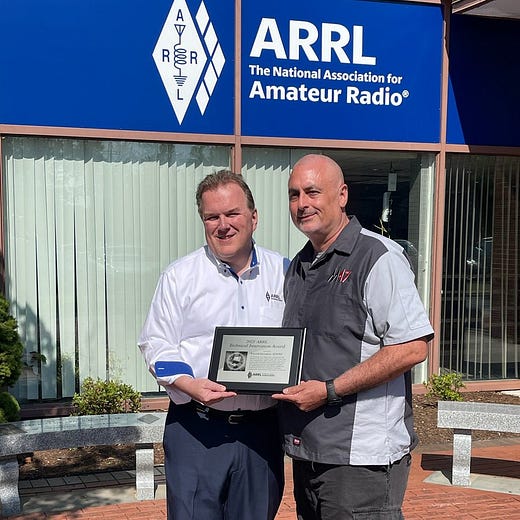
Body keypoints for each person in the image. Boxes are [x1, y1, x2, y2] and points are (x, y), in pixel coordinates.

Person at [273, 154, 434, 520]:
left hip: (362, 460)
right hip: (309, 452)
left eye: (313, 192)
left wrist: (330, 390)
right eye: (294, 195)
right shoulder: (299, 266)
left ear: (342, 195)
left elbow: (412, 348)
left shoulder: (379, 257)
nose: (302, 203)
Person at [138, 170, 288, 520]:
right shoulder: (180, 276)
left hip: (262, 432)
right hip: (197, 429)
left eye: (232, 213)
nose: (223, 225)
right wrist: (190, 385)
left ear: (254, 217)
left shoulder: (285, 272)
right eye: (212, 217)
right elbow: (156, 344)